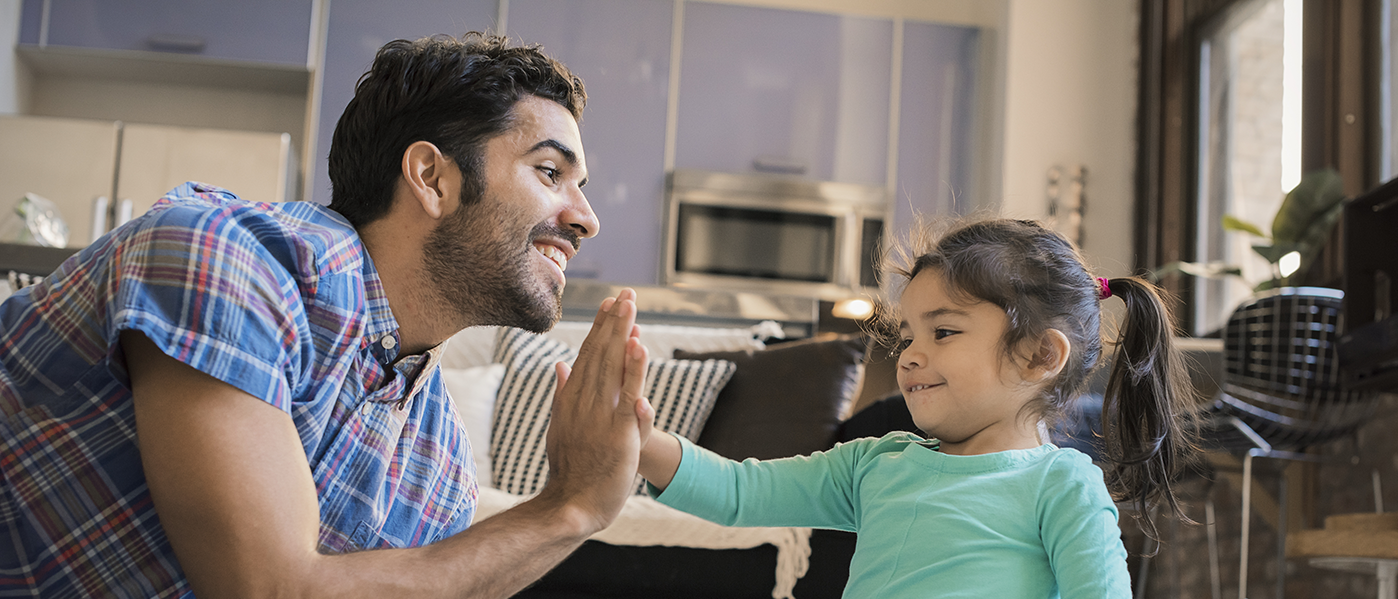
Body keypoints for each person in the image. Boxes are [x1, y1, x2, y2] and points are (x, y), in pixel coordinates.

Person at [0, 33, 656, 597]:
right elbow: (270, 589)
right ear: (431, 177)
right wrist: (569, 506)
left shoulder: (441, 465)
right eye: (549, 172)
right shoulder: (220, 257)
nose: (586, 218)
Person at [636, 218, 1198, 598]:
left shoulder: (1062, 486)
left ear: (1039, 356)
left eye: (944, 332)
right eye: (907, 338)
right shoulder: (871, 466)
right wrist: (638, 440)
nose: (909, 357)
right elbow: (739, 492)